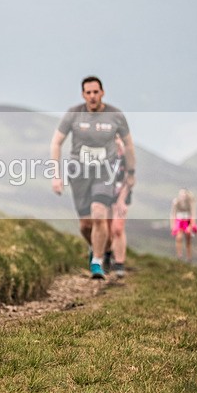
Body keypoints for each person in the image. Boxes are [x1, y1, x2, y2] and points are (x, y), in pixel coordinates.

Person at [50, 76, 136, 279]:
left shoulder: (115, 115)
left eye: (95, 92)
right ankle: (99, 248)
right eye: (88, 93)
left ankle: (97, 261)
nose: (92, 96)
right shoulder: (73, 114)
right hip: (79, 172)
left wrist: (131, 172)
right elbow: (56, 143)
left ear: (102, 92)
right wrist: (56, 174)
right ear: (83, 94)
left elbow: (129, 145)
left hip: (105, 171)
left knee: (99, 213)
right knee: (86, 224)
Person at [103, 134, 131, 277]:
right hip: (104, 195)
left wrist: (121, 200)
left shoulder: (126, 155)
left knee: (118, 228)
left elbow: (130, 178)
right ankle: (107, 255)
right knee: (107, 230)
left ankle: (120, 263)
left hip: (121, 193)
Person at [170, 188, 197, 262]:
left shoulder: (190, 202)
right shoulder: (176, 202)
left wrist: (191, 226)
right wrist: (172, 225)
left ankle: (189, 258)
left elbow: (193, 214)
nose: (182, 196)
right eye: (181, 195)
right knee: (179, 238)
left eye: (184, 195)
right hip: (179, 221)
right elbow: (173, 214)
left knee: (188, 239)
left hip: (188, 221)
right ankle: (179, 256)